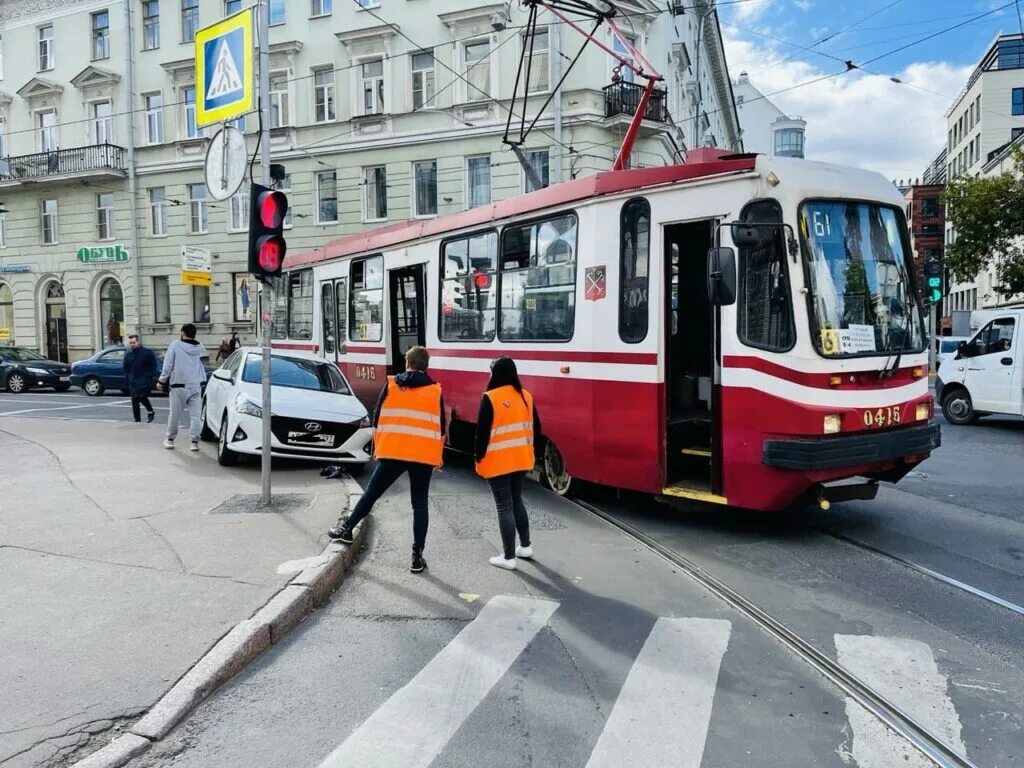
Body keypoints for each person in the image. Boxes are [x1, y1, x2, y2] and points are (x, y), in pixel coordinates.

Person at [328, 346, 444, 573]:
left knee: (371, 494)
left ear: (407, 363)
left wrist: (379, 449)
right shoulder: (436, 392)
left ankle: (347, 529)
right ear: (426, 367)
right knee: (419, 504)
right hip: (422, 456)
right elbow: (441, 429)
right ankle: (416, 556)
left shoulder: (391, 386)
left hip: (392, 452)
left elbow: (376, 419)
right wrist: (436, 459)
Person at [475, 357, 541, 571]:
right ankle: (526, 546)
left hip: (498, 461)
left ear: (495, 374)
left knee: (504, 506)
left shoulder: (490, 398)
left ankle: (509, 556)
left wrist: (478, 456)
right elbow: (537, 428)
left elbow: (482, 433)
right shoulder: (525, 396)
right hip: (522, 459)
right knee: (516, 501)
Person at [156, 323, 208, 451]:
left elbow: (168, 365)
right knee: (196, 415)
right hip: (196, 384)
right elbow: (204, 362)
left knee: (175, 414)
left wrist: (162, 381)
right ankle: (194, 442)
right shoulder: (200, 346)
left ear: (183, 333)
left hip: (178, 385)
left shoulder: (175, 345)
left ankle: (170, 439)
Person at [123, 335, 157, 424]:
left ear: (138, 342)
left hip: (144, 380)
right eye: (130, 343)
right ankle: (137, 420)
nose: (132, 345)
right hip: (133, 380)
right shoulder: (128, 354)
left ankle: (150, 411)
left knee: (142, 397)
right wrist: (128, 377)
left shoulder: (147, 352)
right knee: (134, 400)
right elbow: (125, 367)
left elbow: (153, 365)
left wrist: (149, 376)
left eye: (134, 343)